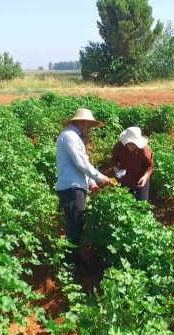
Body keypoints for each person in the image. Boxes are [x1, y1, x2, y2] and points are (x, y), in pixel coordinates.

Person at [56, 108, 111, 269]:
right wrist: (100, 177)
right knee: (75, 225)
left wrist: (92, 184)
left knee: (77, 223)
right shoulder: (69, 136)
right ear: (80, 122)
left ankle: (75, 260)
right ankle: (72, 263)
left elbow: (82, 164)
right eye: (88, 125)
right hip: (71, 188)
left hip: (77, 186)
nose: (90, 128)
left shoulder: (76, 137)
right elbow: (81, 163)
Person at [109, 127, 153, 201]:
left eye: (134, 145)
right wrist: (116, 170)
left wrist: (145, 176)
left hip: (140, 179)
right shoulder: (119, 146)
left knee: (142, 204)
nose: (131, 147)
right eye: (129, 144)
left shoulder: (145, 150)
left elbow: (150, 166)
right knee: (124, 201)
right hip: (125, 178)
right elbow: (113, 160)